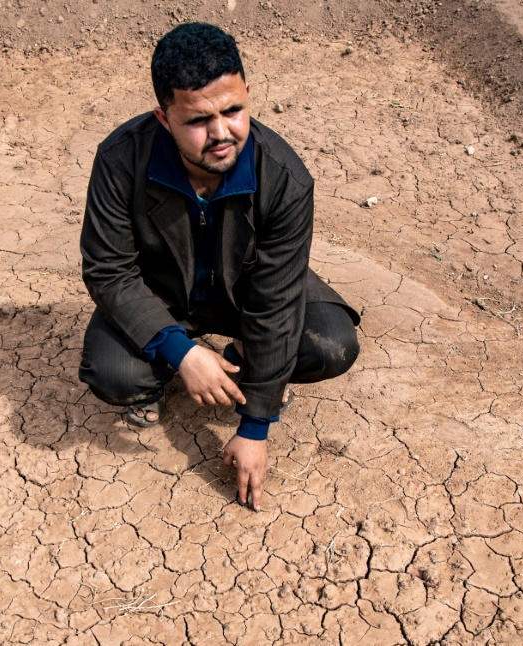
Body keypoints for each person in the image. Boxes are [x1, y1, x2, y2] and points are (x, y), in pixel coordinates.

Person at [78, 22, 360, 510]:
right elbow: (108, 270)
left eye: (233, 110)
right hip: (163, 297)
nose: (221, 133)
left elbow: (276, 301)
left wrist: (256, 426)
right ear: (163, 118)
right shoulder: (121, 160)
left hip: (248, 296)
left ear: (248, 94)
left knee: (332, 344)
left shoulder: (284, 178)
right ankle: (178, 368)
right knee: (113, 376)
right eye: (197, 120)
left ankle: (245, 359)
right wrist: (182, 353)